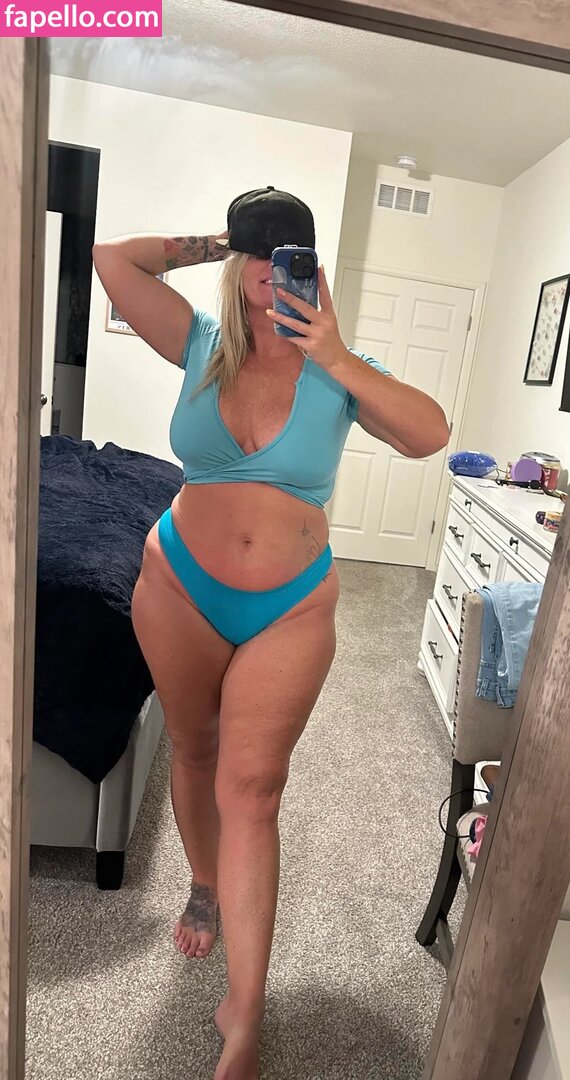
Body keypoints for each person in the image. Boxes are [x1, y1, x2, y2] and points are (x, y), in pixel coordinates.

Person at [92, 187, 449, 1080]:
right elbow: (111, 260)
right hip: (179, 584)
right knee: (194, 750)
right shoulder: (199, 343)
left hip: (290, 604)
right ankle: (204, 885)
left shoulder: (338, 368)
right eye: (259, 251)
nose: (268, 266)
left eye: (286, 250)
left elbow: (429, 435)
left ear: (312, 267)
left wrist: (335, 351)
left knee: (254, 789)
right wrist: (223, 240)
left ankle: (244, 1014)